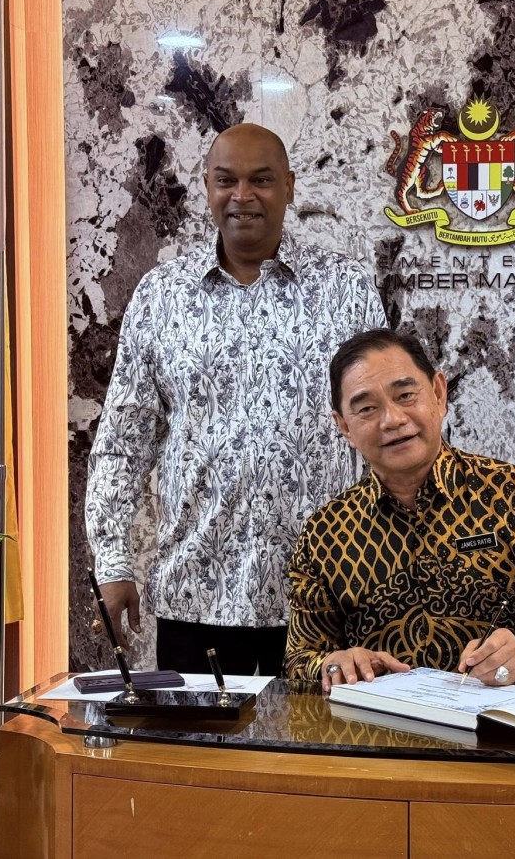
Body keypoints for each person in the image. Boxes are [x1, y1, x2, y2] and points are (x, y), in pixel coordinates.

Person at [86, 123, 387, 676]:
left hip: (324, 597)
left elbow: (383, 431)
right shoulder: (162, 296)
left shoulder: (346, 288)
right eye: (226, 180)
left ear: (289, 187)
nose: (242, 196)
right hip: (196, 595)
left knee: (318, 737)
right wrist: (112, 562)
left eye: (261, 180)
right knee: (203, 736)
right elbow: (123, 444)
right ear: (207, 186)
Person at [285, 329, 515, 691]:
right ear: (344, 426)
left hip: (500, 717)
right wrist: (331, 665)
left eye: (405, 395)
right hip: (379, 724)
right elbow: (299, 659)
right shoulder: (325, 533)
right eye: (367, 408)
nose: (392, 420)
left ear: (438, 393)